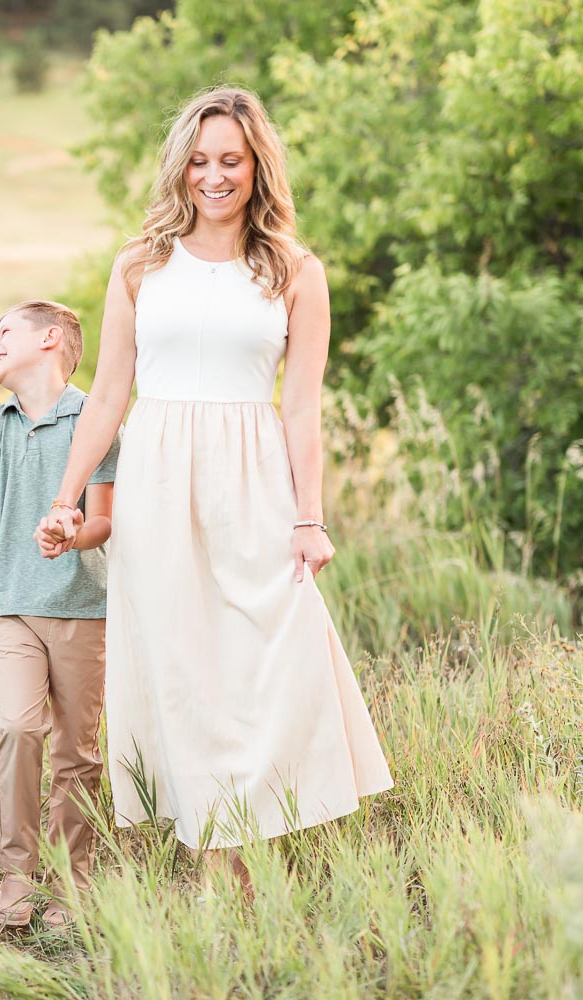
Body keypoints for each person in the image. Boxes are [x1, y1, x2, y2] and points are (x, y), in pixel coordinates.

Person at [39, 87, 393, 895]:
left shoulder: (296, 271)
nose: (213, 176)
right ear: (180, 168)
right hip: (158, 479)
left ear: (257, 164)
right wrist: (66, 499)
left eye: (230, 159)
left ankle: (254, 829)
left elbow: (301, 405)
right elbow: (106, 397)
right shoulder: (140, 265)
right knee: (181, 665)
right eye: (199, 161)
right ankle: (215, 863)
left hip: (254, 479)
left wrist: (310, 518)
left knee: (261, 659)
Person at [0, 300, 119, 928]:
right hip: (12, 609)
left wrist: (73, 534)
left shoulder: (97, 419)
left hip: (84, 606)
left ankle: (71, 878)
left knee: (77, 751)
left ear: (51, 339)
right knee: (18, 728)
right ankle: (16, 873)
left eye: (3, 332)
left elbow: (106, 518)